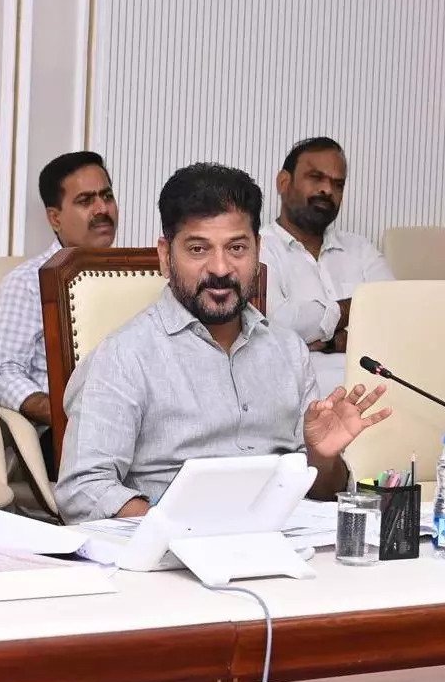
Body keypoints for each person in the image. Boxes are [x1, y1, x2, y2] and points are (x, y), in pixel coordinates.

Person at [54, 162, 391, 524]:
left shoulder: (289, 351)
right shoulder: (123, 356)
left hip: (286, 544)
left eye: (237, 248)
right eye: (198, 249)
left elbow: (323, 493)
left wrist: (322, 457)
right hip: (173, 548)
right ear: (165, 256)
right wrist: (181, 530)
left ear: (258, 251)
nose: (220, 268)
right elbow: (83, 490)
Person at [0, 151, 119, 479]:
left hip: (139, 425)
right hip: (68, 434)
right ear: (55, 218)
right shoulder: (27, 281)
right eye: (85, 200)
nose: (102, 209)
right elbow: (2, 376)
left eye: (107, 196)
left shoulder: (141, 276)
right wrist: (64, 412)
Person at [260, 137, 394, 394]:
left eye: (338, 184)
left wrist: (327, 339)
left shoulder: (360, 249)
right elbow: (276, 326)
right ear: (284, 182)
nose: (327, 190)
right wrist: (355, 310)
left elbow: (396, 311)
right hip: (305, 398)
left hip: (379, 394)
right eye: (316, 177)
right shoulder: (260, 249)